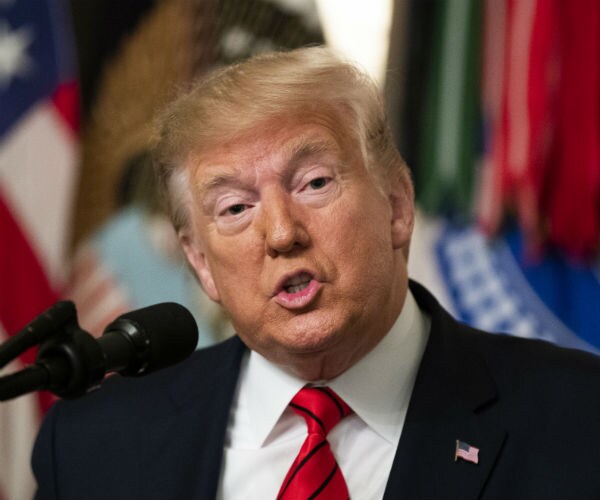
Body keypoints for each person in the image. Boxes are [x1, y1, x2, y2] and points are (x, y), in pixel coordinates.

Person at [32, 46, 600, 499]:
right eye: (235, 209)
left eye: (314, 184)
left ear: (397, 206)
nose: (281, 234)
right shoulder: (92, 450)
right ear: (201, 263)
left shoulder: (577, 420)